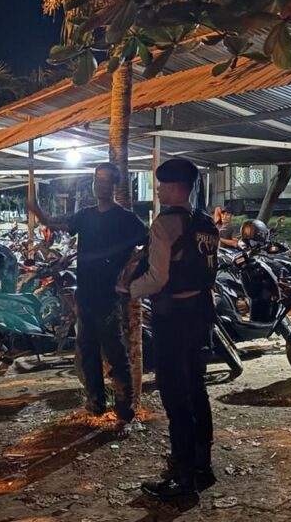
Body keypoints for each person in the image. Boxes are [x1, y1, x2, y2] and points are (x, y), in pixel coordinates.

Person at [126, 158, 220, 501]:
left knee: (175, 395)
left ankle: (183, 480)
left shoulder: (165, 225)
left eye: (163, 186)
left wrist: (128, 290)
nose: (159, 191)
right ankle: (201, 465)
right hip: (200, 313)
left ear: (177, 188)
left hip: (174, 318)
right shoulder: (206, 224)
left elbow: (158, 278)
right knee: (196, 388)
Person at [27, 162, 147, 425]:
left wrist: (129, 272)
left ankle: (125, 410)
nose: (100, 185)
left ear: (114, 185)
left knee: (116, 353)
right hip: (85, 294)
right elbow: (59, 224)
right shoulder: (85, 216)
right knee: (87, 351)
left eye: (105, 181)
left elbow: (149, 244)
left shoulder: (126, 218)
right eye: (97, 180)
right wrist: (39, 212)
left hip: (109, 297)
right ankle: (95, 406)